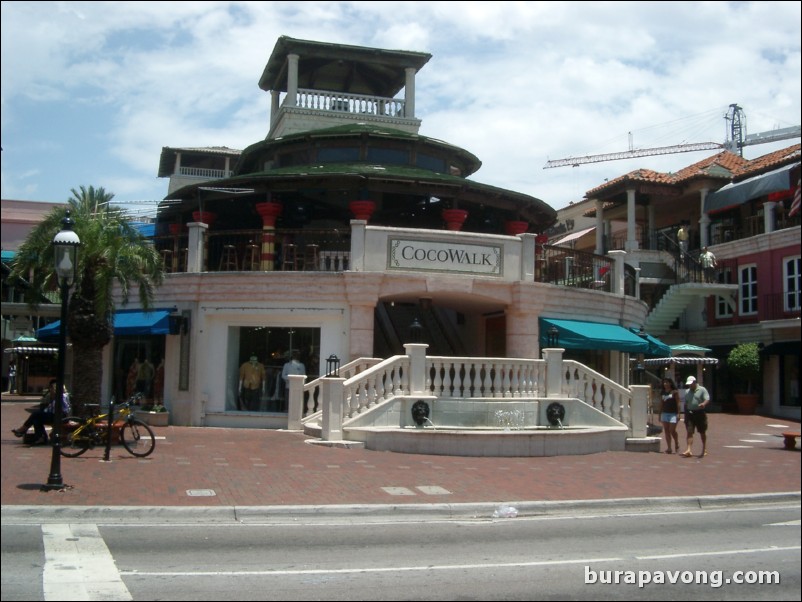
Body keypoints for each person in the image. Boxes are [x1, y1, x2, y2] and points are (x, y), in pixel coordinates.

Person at [11, 379, 70, 445]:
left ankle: (23, 430)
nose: (50, 390)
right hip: (54, 415)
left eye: (52, 388)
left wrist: (53, 396)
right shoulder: (56, 397)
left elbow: (61, 409)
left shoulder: (62, 396)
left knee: (35, 415)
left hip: (59, 417)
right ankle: (41, 438)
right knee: (36, 420)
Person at [681, 375, 710, 458]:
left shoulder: (702, 389)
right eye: (689, 384)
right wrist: (685, 413)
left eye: (691, 384)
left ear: (695, 382)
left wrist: (703, 404)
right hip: (690, 413)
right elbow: (686, 403)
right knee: (689, 431)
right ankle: (689, 449)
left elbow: (707, 399)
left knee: (702, 431)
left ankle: (704, 448)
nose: (690, 386)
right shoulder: (687, 391)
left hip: (700, 413)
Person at [659, 377, 681, 454]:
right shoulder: (662, 392)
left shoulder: (674, 392)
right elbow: (661, 403)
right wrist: (659, 413)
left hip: (673, 413)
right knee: (666, 430)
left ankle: (676, 442)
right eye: (664, 382)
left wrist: (678, 413)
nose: (665, 384)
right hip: (665, 413)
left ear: (670, 383)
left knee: (672, 430)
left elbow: (678, 402)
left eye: (667, 382)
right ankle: (669, 447)